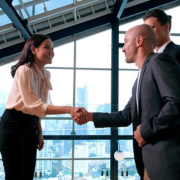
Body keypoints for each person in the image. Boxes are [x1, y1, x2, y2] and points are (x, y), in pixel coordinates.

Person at [74, 24, 180, 180]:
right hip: (148, 165)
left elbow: (176, 103)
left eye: (125, 42)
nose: (122, 48)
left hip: (167, 164)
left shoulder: (159, 60)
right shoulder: (139, 79)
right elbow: (125, 116)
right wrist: (90, 116)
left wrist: (146, 130)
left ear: (139, 41)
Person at [0, 34, 84, 180]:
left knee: (27, 176)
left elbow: (38, 108)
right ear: (33, 49)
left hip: (31, 126)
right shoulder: (24, 70)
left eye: (52, 48)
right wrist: (69, 109)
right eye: (47, 47)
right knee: (14, 176)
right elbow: (35, 105)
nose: (52, 52)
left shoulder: (46, 74)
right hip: (13, 125)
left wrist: (39, 133)